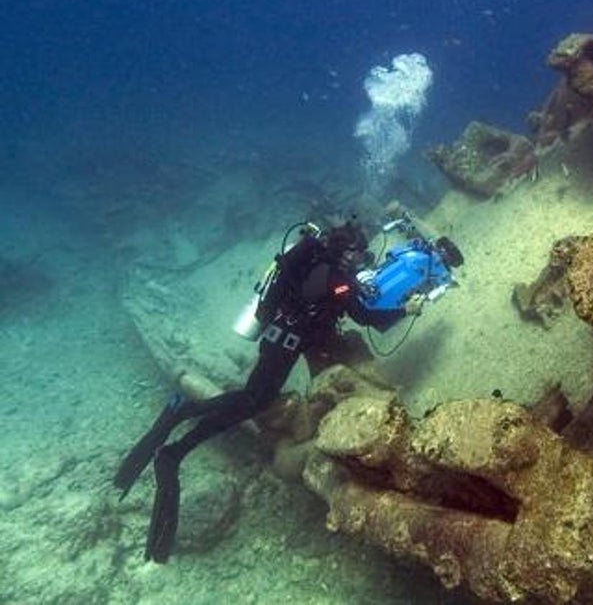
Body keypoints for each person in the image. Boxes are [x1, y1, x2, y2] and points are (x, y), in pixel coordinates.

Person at [113, 219, 419, 563]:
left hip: (277, 338)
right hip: (285, 347)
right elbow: (367, 318)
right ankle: (177, 443)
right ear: (345, 252)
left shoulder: (312, 262)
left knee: (251, 399)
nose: (358, 262)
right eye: (357, 255)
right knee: (252, 401)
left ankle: (180, 421)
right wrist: (406, 309)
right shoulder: (336, 279)